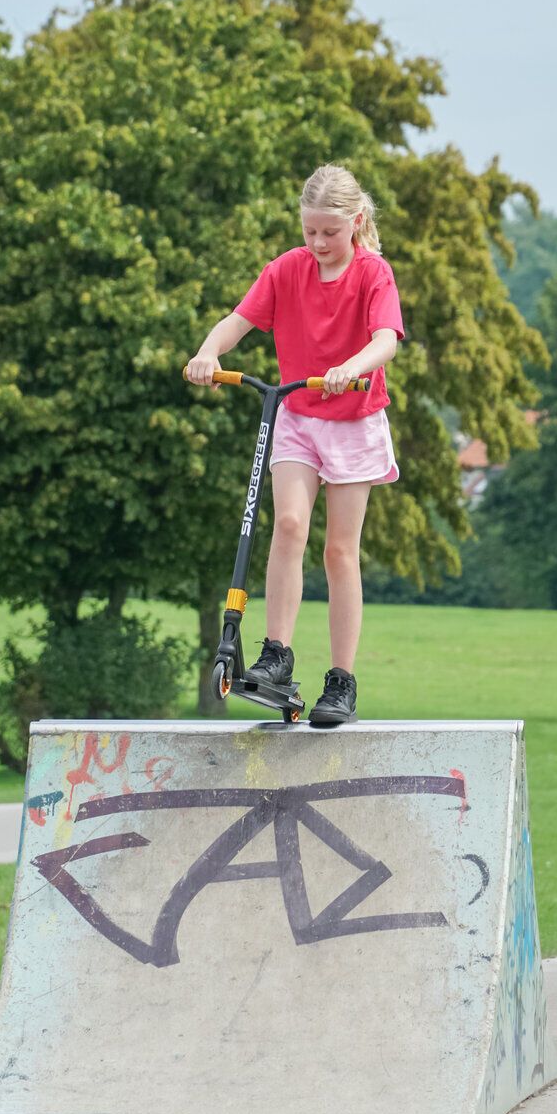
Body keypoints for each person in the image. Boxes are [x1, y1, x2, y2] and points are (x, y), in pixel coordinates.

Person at [186, 163, 403, 726]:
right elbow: (239, 318)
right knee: (287, 525)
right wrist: (210, 353)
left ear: (355, 223)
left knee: (338, 551)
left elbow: (385, 341)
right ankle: (276, 656)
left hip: (354, 417)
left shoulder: (373, 273)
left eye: (329, 232)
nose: (318, 243)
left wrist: (348, 368)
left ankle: (341, 682)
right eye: (309, 231)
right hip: (298, 415)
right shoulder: (287, 269)